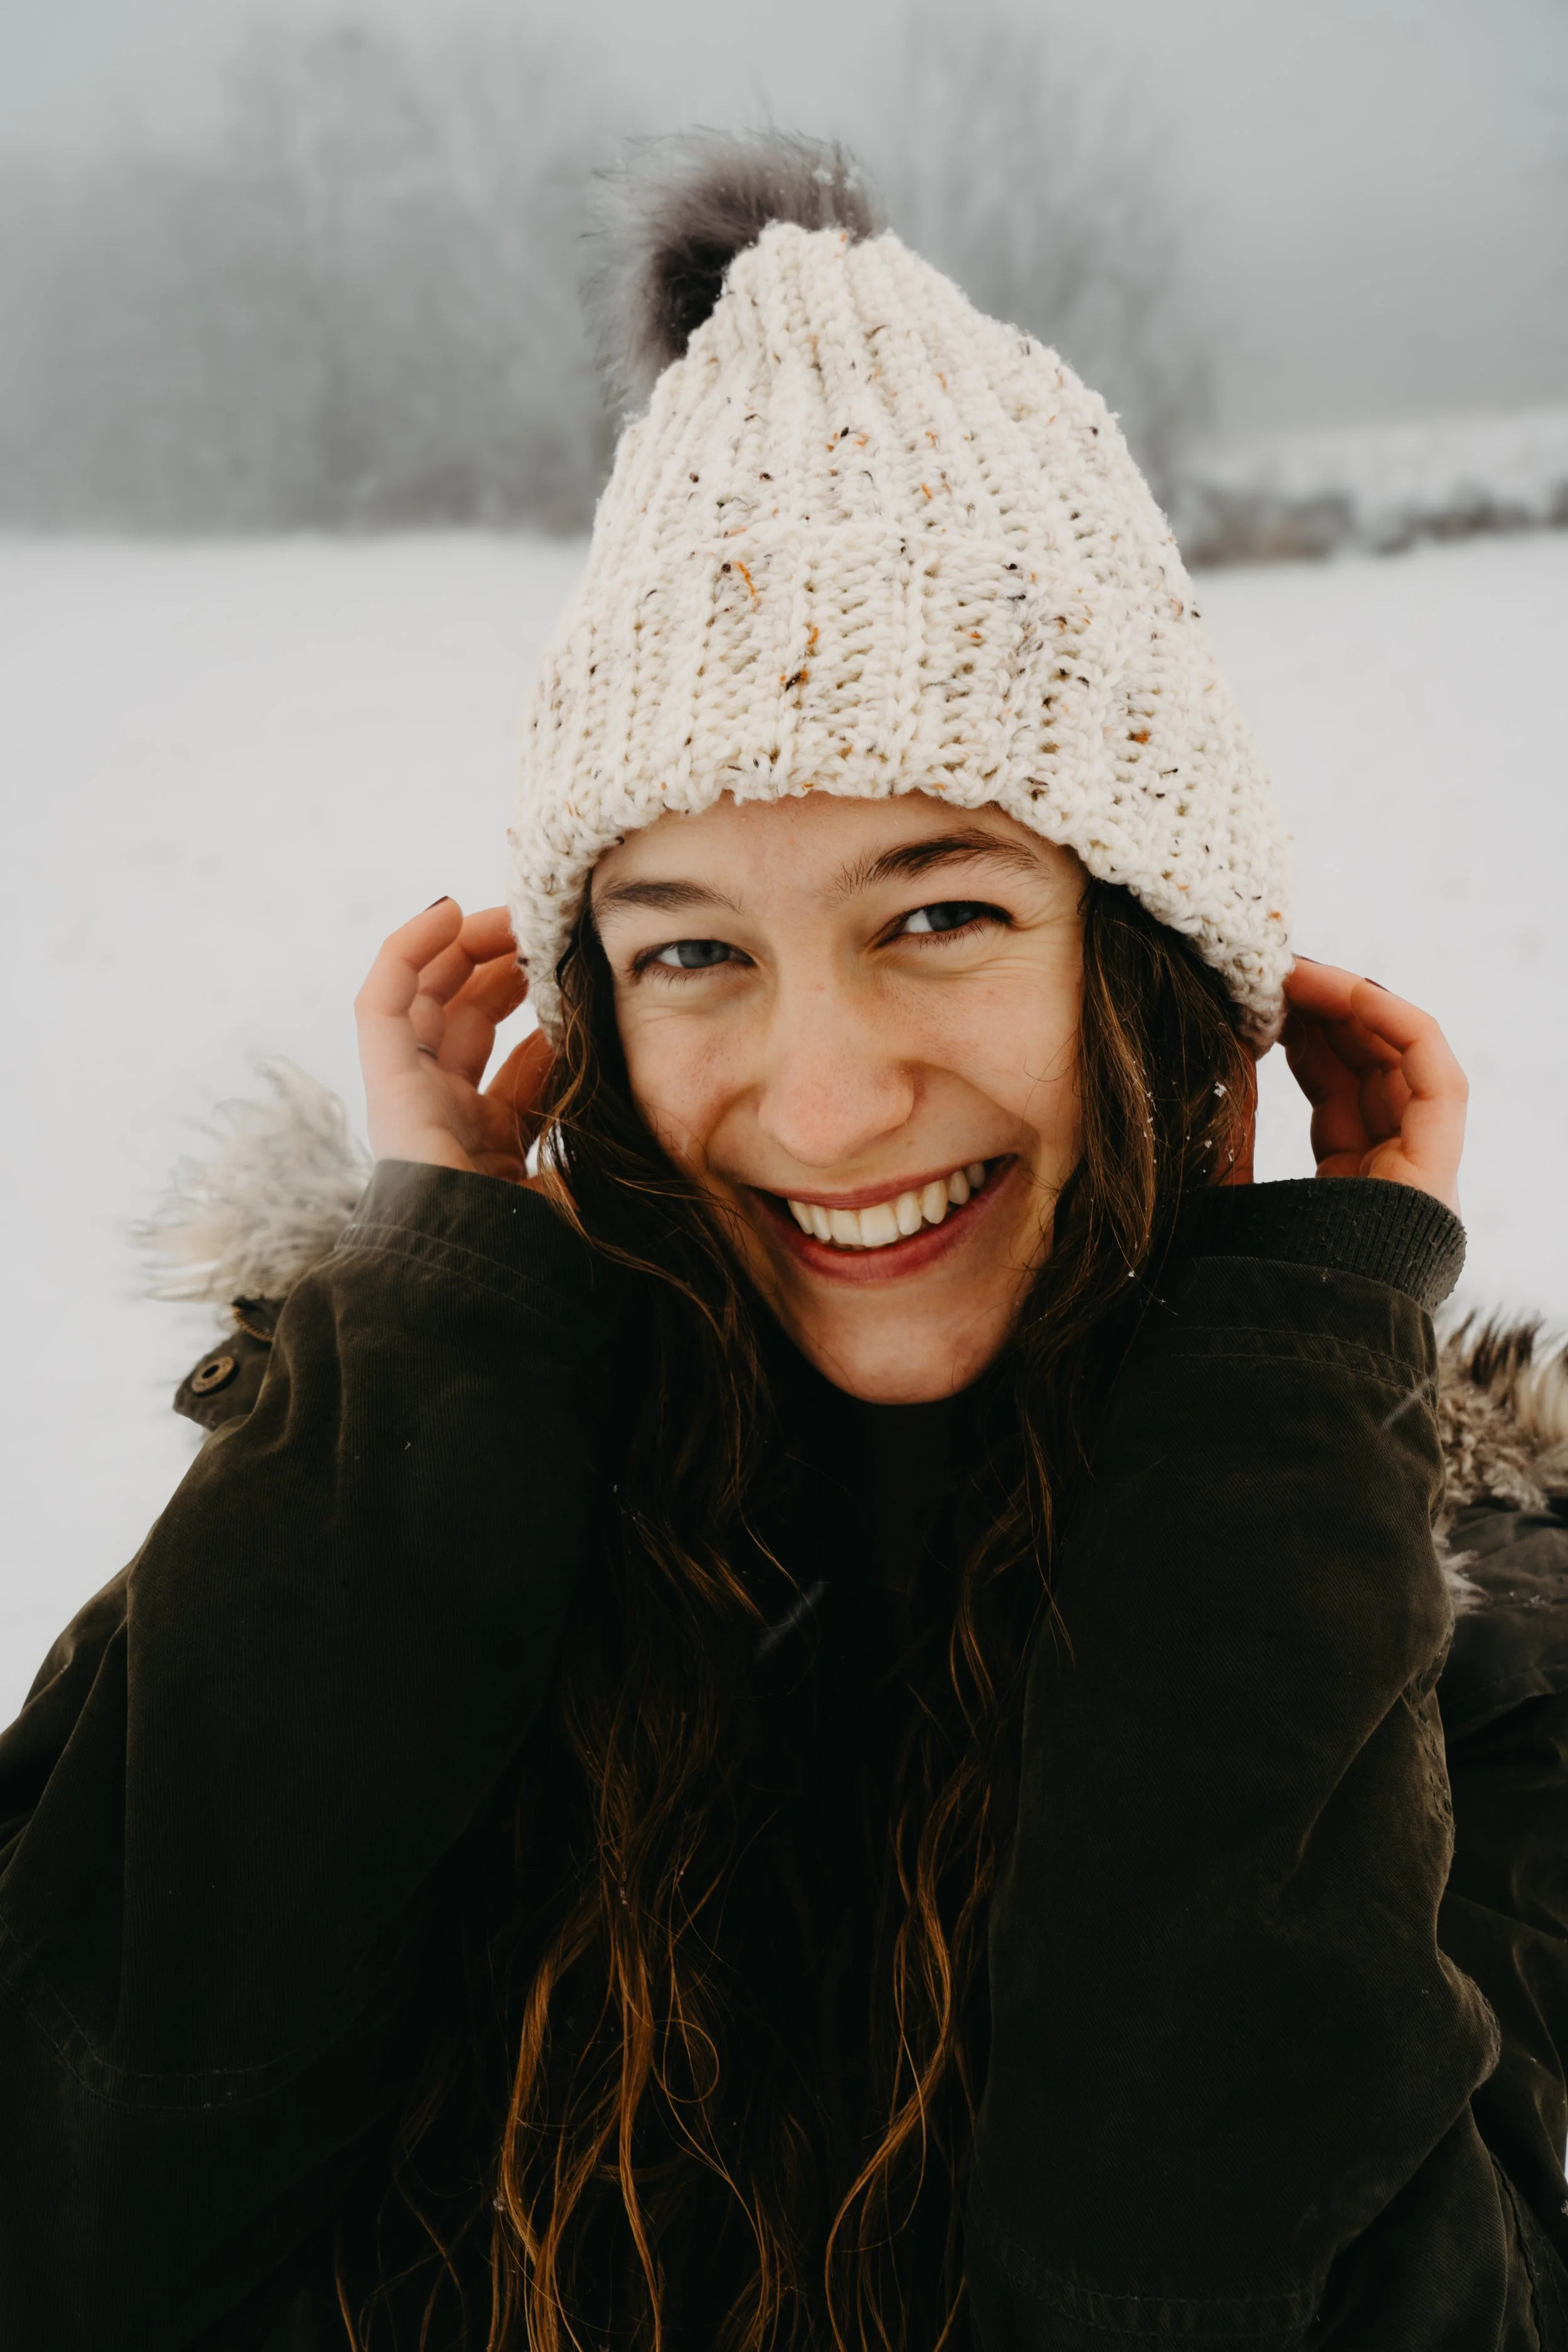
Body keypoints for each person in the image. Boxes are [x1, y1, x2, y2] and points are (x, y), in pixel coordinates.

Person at [3, 132, 1567, 2352]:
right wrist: (427, 1353)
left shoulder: (1460, 1665)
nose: (819, 1101)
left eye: (936, 914)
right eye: (689, 955)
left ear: (1152, 978)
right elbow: (81, 2216)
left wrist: (1264, 1442)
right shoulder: (384, 1556)